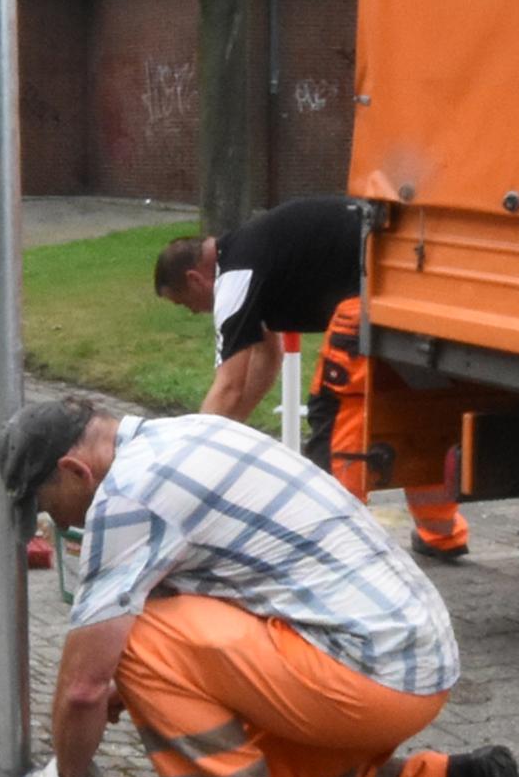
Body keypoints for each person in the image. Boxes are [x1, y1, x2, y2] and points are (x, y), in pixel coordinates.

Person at [2, 395, 519, 777]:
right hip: (409, 665)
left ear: (74, 470)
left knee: (137, 638)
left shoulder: (128, 497)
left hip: (361, 673)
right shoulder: (188, 436)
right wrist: (143, 689)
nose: (56, 521)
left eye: (48, 506)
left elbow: (83, 687)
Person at [156, 195, 466, 558]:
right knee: (414, 415)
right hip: (406, 285)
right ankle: (441, 535)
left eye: (183, 303)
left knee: (334, 422)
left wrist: (190, 462)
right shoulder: (252, 250)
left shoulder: (236, 273)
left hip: (369, 296)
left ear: (194, 279)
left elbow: (228, 385)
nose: (192, 312)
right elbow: (264, 357)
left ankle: (333, 549)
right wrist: (230, 435)